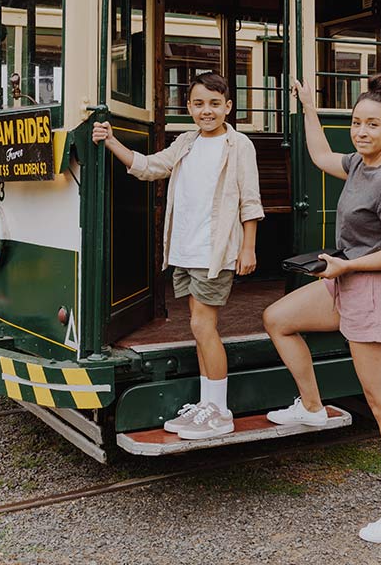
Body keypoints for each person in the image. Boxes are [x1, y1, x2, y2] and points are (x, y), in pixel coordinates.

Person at [263, 72, 381, 544]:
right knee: (278, 319)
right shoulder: (359, 165)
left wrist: (346, 266)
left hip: (374, 293)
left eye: (372, 124)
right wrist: (309, 108)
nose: (361, 131)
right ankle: (313, 407)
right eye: (356, 123)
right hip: (345, 281)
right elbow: (319, 155)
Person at [92, 72, 264, 440]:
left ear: (228, 107)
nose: (206, 111)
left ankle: (219, 411)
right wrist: (111, 141)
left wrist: (248, 247)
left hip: (214, 252)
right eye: (199, 104)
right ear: (188, 107)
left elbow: (250, 200)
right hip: (186, 250)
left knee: (203, 327)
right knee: (198, 328)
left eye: (214, 104)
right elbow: (150, 167)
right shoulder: (185, 142)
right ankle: (207, 404)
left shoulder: (239, 145)